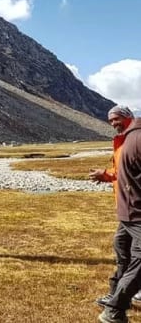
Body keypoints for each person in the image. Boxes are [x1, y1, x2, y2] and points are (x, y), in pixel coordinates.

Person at [96, 106, 141, 323]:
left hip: (131, 210)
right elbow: (125, 174)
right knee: (127, 253)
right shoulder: (129, 140)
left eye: (116, 119)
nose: (113, 124)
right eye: (111, 120)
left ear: (129, 117)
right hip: (132, 211)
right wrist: (105, 175)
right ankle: (115, 303)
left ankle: (117, 300)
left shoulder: (132, 139)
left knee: (129, 253)